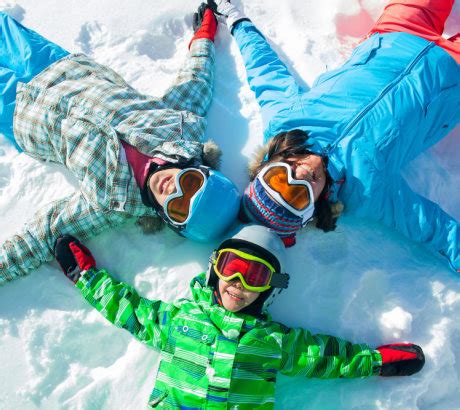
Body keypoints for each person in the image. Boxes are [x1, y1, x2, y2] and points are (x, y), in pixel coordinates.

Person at [54, 224, 425, 408]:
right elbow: (130, 311)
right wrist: (86, 277)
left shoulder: (275, 341)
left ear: (269, 287)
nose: (238, 283)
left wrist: (375, 361)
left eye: (256, 275)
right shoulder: (180, 320)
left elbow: (325, 357)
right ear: (215, 268)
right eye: (232, 268)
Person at [209, 0, 460, 272]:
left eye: (280, 179)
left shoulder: (285, 119)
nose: (299, 177)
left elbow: (264, 70)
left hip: (394, 34)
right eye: (298, 196)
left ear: (268, 166)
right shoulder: (367, 191)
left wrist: (237, 22)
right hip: (450, 78)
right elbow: (433, 228)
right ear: (313, 209)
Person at [0, 4, 241, 283]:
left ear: (170, 221)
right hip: (61, 68)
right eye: (189, 183)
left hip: (23, 113)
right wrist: (205, 33)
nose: (172, 189)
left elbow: (41, 236)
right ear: (200, 169)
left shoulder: (112, 203)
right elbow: (197, 79)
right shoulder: (181, 126)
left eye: (178, 206)